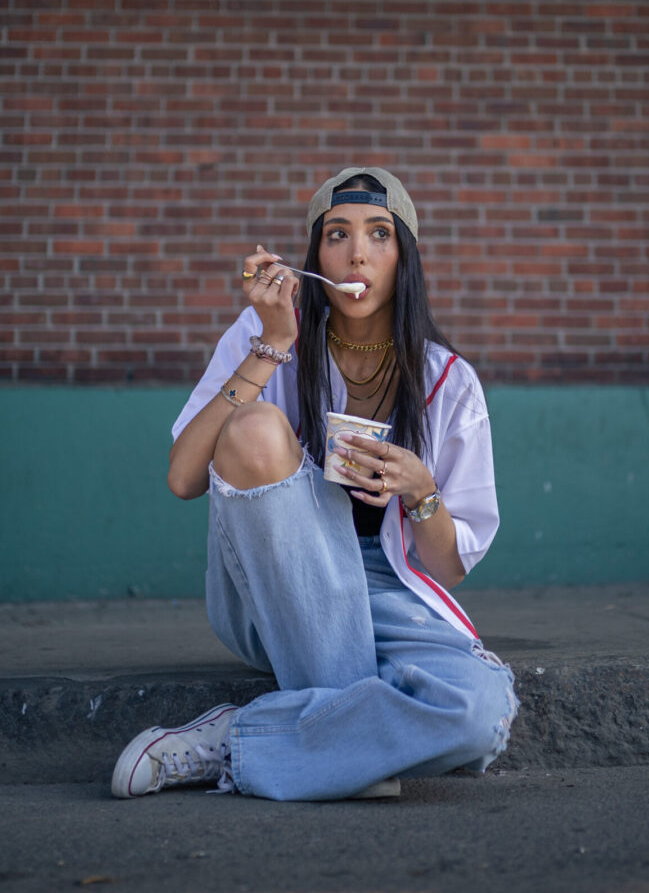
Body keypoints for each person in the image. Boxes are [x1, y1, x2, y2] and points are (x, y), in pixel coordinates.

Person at [111, 167, 518, 802]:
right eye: (338, 234)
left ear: (404, 257)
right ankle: (348, 750)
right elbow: (183, 476)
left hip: (386, 593)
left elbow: (449, 566)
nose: (358, 252)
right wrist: (273, 341)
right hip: (276, 585)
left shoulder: (448, 382)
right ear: (314, 256)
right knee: (257, 431)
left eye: (379, 235)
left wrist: (420, 490)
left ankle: (243, 737)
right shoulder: (263, 337)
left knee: (478, 710)